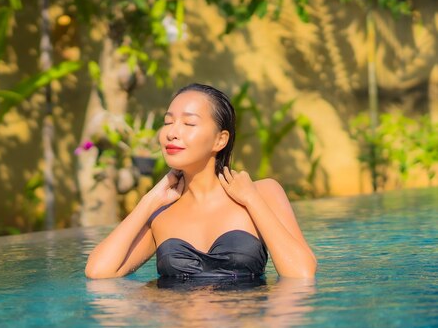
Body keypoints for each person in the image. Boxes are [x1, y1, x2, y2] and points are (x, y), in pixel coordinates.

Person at [85, 83, 317, 284]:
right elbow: (99, 272)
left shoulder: (263, 192)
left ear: (220, 139)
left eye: (189, 123)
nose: (172, 133)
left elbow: (301, 273)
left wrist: (252, 200)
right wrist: (149, 201)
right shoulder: (160, 212)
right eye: (168, 122)